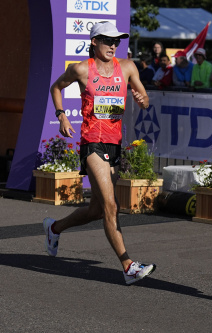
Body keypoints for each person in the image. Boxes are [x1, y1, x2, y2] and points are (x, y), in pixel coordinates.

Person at [46, 21, 155, 284]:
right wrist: (61, 115)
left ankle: (54, 227)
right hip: (91, 143)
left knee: (96, 210)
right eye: (107, 40)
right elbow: (56, 87)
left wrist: (142, 100)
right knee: (111, 206)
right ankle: (128, 265)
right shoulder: (82, 69)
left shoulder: (127, 67)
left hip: (114, 144)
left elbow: (145, 98)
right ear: (94, 42)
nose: (113, 45)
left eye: (116, 40)